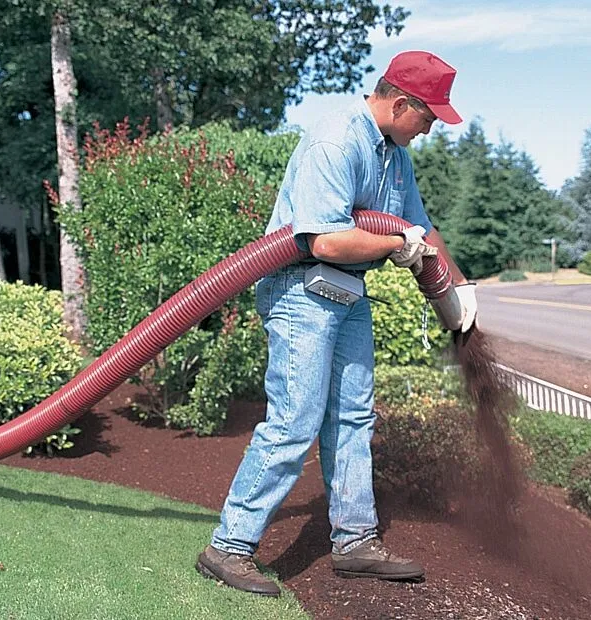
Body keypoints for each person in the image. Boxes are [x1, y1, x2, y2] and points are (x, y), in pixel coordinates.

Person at [195, 50, 478, 597]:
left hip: (347, 291)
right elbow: (324, 240)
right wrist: (395, 245)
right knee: (295, 420)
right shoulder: (335, 141)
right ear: (401, 104)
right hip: (300, 289)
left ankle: (355, 542)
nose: (430, 130)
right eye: (428, 118)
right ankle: (228, 547)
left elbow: (421, 228)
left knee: (353, 417)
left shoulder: (395, 156)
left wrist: (460, 289)